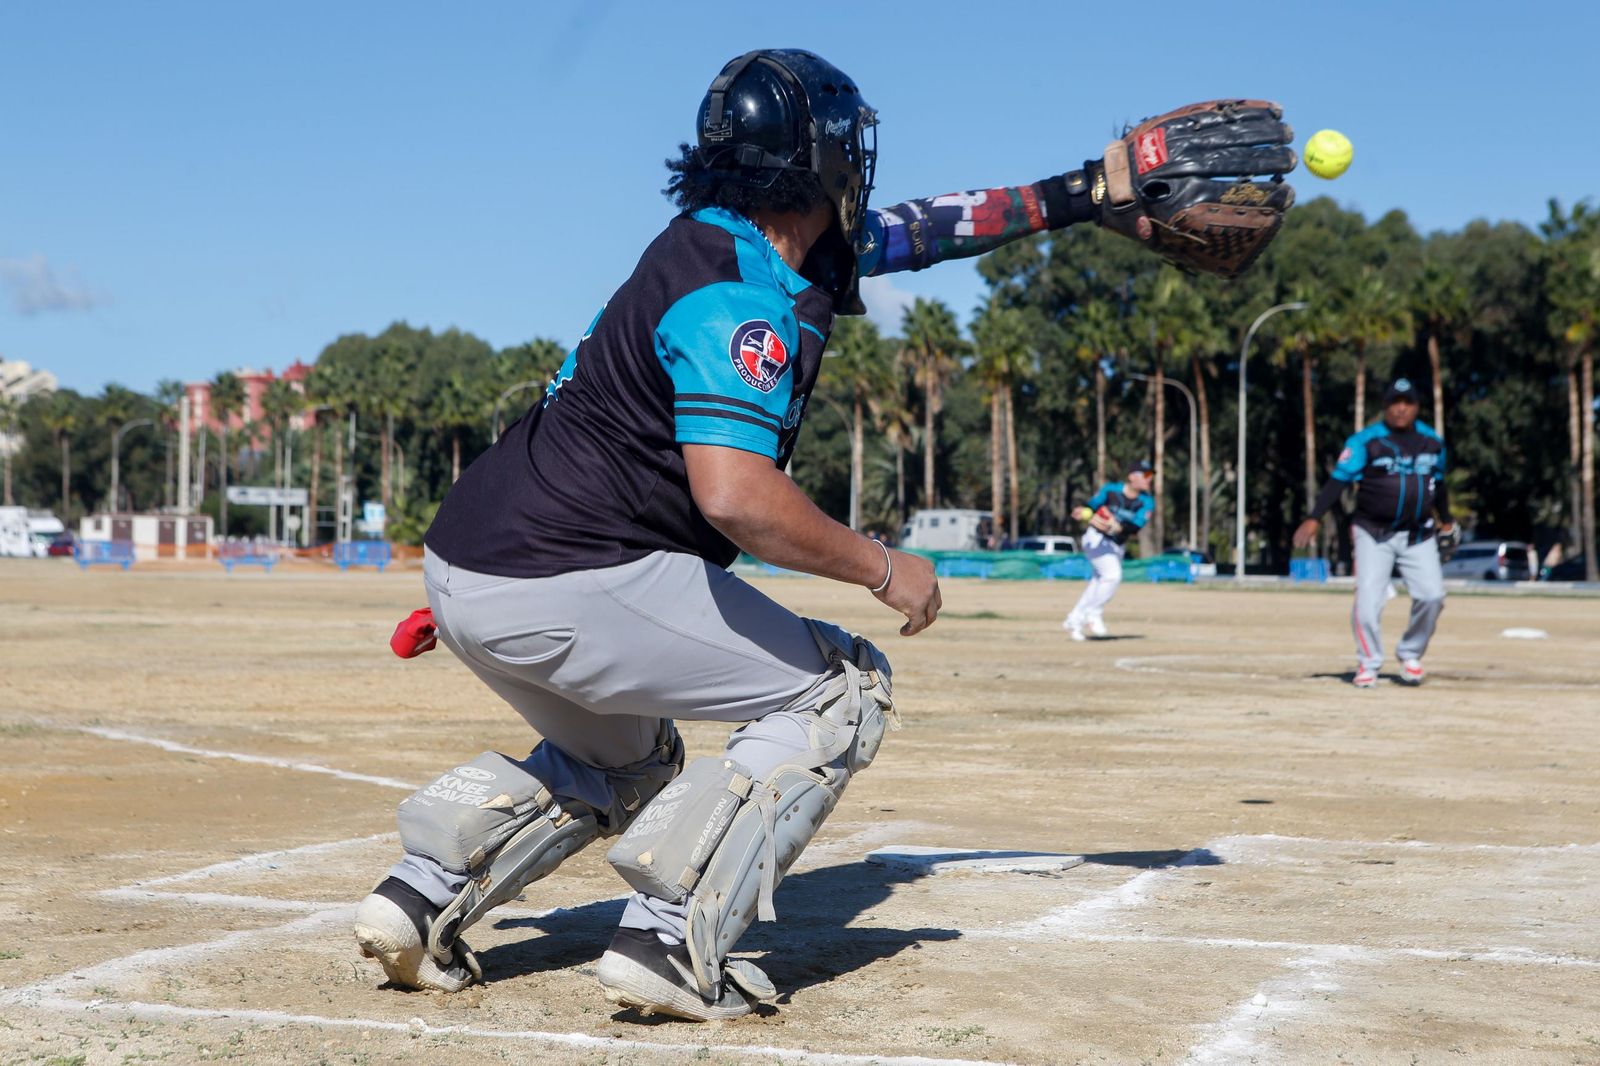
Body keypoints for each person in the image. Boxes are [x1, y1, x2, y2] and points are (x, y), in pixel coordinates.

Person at [351, 49, 1297, 1021]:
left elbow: (928, 229)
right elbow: (736, 498)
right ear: (826, 158)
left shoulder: (730, 243)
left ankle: (419, 896)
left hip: (476, 564)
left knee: (626, 760)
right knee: (841, 690)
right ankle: (671, 941)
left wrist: (1088, 191)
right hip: (570, 571)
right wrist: (883, 568)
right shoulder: (738, 291)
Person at [1293, 378, 1456, 688]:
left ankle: (1410, 654)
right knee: (1367, 601)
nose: (1401, 408)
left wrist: (1446, 520)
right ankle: (1368, 663)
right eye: (1395, 402)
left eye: (1407, 402)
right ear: (1385, 406)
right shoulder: (1366, 441)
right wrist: (1314, 517)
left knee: (1433, 596)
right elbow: (1339, 481)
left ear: (1417, 407)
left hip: (1417, 534)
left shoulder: (1432, 442)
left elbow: (1439, 485)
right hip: (1373, 532)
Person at [1063, 460, 1155, 640]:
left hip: (1117, 545)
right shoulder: (1111, 490)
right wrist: (1084, 511)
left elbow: (1135, 527)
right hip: (1096, 539)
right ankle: (1093, 613)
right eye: (1145, 475)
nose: (1149, 479)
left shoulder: (1147, 501)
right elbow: (1091, 506)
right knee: (1112, 576)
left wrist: (1119, 527)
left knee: (1098, 583)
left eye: (1150, 476)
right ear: (1131, 477)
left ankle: (1074, 620)